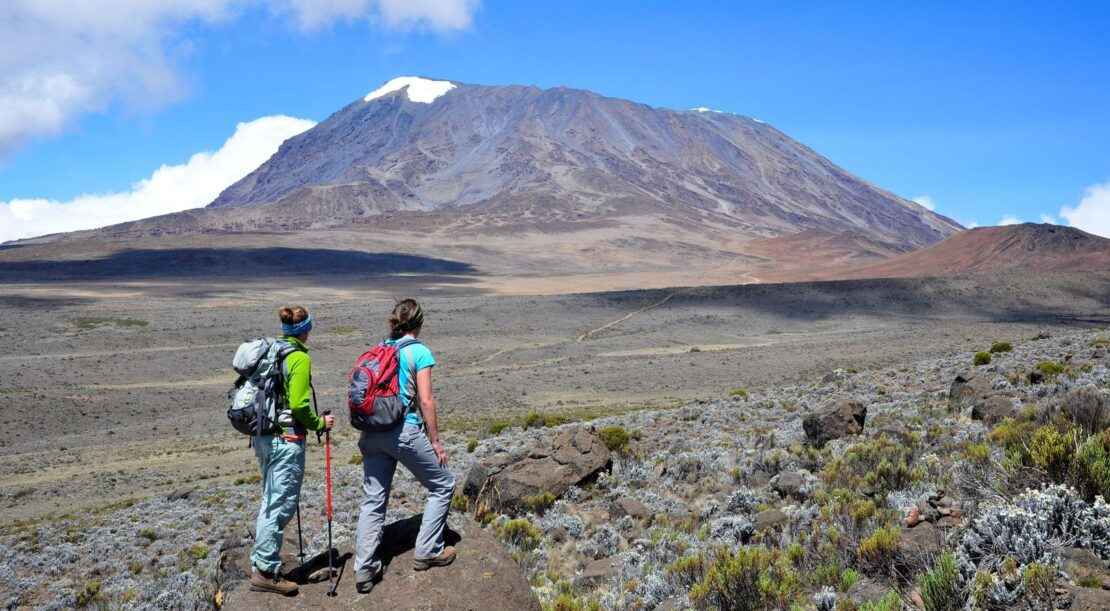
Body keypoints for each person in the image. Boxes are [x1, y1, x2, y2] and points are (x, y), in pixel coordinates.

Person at [354, 299, 456, 594]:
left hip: (371, 433)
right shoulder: (419, 351)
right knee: (443, 484)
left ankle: (364, 568)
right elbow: (426, 400)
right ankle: (428, 550)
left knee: (373, 500)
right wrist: (435, 441)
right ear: (419, 323)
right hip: (403, 431)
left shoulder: (380, 348)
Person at [250, 305, 335, 596]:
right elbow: (299, 405)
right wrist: (319, 423)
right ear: (305, 330)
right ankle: (265, 572)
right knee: (280, 505)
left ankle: (263, 564)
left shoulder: (273, 351)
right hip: (286, 440)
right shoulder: (298, 357)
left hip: (264, 438)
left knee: (270, 500)